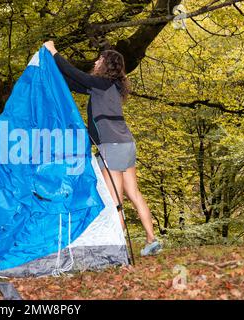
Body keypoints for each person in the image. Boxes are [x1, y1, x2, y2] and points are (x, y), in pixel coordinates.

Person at [43, 40, 162, 256]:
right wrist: (53, 71)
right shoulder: (111, 87)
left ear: (105, 64)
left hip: (112, 146)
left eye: (100, 59)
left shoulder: (102, 84)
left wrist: (53, 52)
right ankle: (151, 239)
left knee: (114, 200)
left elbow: (74, 73)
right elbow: (72, 82)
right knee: (133, 193)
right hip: (126, 144)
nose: (96, 61)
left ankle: (115, 248)